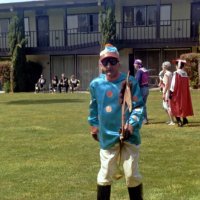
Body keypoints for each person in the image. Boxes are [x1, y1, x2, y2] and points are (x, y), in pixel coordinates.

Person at [88, 44, 144, 200]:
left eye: (112, 61)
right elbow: (93, 108)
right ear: (101, 64)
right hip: (107, 136)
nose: (109, 65)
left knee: (132, 174)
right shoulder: (95, 84)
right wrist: (94, 126)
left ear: (119, 63)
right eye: (105, 62)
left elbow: (138, 107)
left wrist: (131, 126)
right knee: (105, 175)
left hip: (129, 136)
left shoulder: (130, 81)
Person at [169, 59, 194, 127]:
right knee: (182, 106)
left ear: (178, 65)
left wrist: (171, 92)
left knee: (175, 106)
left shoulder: (176, 73)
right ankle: (185, 119)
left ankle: (179, 121)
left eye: (176, 65)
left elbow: (173, 84)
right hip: (184, 93)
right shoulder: (185, 73)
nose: (175, 66)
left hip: (177, 93)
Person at [134, 59, 149, 124]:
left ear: (137, 64)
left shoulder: (139, 71)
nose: (134, 65)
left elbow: (137, 81)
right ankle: (144, 118)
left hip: (141, 89)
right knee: (143, 104)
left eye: (135, 63)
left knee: (140, 105)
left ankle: (144, 119)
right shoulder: (145, 70)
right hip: (146, 88)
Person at [161, 61, 175, 125]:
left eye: (162, 66)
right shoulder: (170, 73)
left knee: (167, 106)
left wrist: (164, 93)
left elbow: (166, 84)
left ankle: (172, 121)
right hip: (169, 91)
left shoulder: (167, 74)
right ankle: (171, 120)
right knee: (166, 106)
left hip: (167, 92)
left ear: (165, 66)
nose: (162, 67)